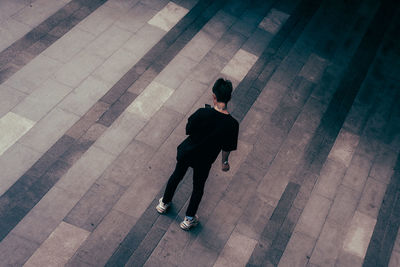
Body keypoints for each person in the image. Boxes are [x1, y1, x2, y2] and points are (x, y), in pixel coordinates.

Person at [156, 78, 239, 230]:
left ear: (214, 96)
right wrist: (224, 162)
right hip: (205, 160)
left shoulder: (202, 113)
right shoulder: (232, 124)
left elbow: (188, 129)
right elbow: (227, 147)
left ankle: (164, 203)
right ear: (229, 97)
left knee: (177, 175)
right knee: (198, 187)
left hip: (187, 152)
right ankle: (188, 219)